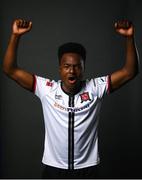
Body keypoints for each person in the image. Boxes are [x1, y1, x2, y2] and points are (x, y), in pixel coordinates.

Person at [3, 19, 139, 179]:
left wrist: (130, 38)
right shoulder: (46, 89)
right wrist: (15, 35)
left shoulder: (95, 88)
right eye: (67, 66)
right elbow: (10, 69)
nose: (72, 71)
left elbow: (130, 71)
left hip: (87, 169)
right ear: (60, 69)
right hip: (54, 169)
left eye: (77, 66)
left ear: (83, 68)